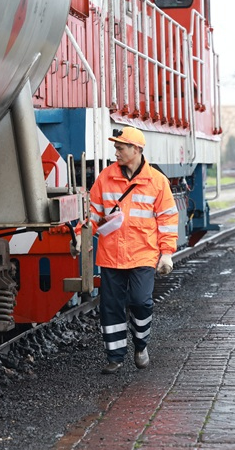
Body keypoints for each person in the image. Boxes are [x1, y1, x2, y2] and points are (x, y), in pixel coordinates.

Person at [73, 126, 178, 374]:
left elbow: (167, 220)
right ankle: (115, 357)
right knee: (111, 306)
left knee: (141, 302)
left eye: (121, 148)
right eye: (116, 148)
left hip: (143, 253)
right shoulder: (105, 177)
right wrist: (80, 234)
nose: (116, 152)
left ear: (137, 149)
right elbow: (93, 214)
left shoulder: (157, 181)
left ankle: (141, 345)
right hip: (111, 255)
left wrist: (167, 253)